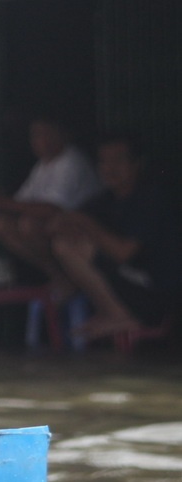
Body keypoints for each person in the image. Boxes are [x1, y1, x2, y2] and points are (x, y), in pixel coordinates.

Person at [48, 135, 179, 343]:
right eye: (104, 161)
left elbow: (124, 253)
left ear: (137, 163)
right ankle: (113, 313)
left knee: (71, 247)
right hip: (131, 286)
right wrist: (70, 225)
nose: (110, 168)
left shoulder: (151, 197)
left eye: (118, 160)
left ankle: (120, 315)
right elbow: (56, 225)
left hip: (158, 295)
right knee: (65, 243)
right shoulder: (105, 199)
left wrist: (87, 224)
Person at [0, 115, 103, 290]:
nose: (40, 140)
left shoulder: (71, 160)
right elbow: (21, 203)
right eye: (36, 135)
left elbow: (50, 210)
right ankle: (59, 276)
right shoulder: (43, 165)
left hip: (88, 230)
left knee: (29, 225)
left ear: (63, 134)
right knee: (3, 224)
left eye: (47, 133)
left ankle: (68, 279)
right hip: (60, 230)